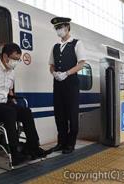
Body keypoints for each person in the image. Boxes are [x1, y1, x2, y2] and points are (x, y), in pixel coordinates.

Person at [48, 17, 86, 154]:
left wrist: (66, 73)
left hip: (71, 84)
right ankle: (61, 142)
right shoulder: (55, 47)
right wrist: (54, 73)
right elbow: (51, 65)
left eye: (60, 27)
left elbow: (81, 64)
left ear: (67, 27)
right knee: (59, 114)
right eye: (56, 28)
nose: (58, 30)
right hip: (58, 84)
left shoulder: (76, 43)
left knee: (72, 114)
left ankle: (70, 143)